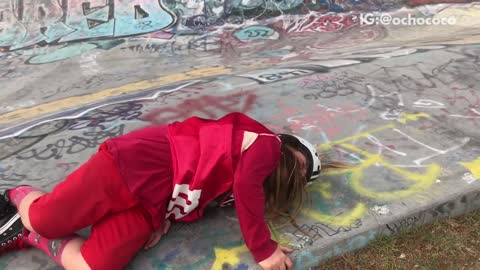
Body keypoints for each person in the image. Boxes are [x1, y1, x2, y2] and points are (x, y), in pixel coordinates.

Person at [0, 112, 327, 270]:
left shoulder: (230, 194)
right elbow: (247, 190)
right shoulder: (265, 143)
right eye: (298, 160)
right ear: (285, 143)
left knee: (93, 266)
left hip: (152, 205)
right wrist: (265, 250)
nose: (294, 169)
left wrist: (164, 218)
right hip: (132, 166)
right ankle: (17, 194)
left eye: (301, 175)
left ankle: (28, 235)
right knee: (45, 218)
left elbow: (196, 192)